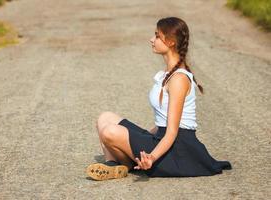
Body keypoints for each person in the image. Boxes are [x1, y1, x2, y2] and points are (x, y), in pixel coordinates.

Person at [86, 17, 232, 181]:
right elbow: (162, 123)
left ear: (170, 42)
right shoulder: (167, 74)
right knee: (104, 118)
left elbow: (172, 132)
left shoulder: (178, 79)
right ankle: (113, 165)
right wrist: (138, 137)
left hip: (177, 150)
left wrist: (152, 157)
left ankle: (125, 164)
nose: (151, 39)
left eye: (157, 36)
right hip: (160, 138)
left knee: (109, 132)